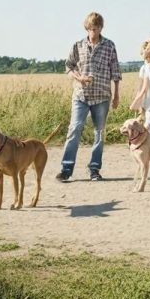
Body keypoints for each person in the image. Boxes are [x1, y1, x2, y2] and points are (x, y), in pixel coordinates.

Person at [56, 12, 121, 182]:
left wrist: (116, 95)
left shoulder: (109, 46)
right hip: (81, 95)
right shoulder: (78, 46)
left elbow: (115, 71)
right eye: (91, 28)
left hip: (102, 96)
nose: (94, 31)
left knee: (99, 133)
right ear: (87, 28)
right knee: (74, 129)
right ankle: (66, 169)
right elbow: (68, 68)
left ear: (101, 28)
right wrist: (79, 78)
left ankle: (94, 169)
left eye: (97, 28)